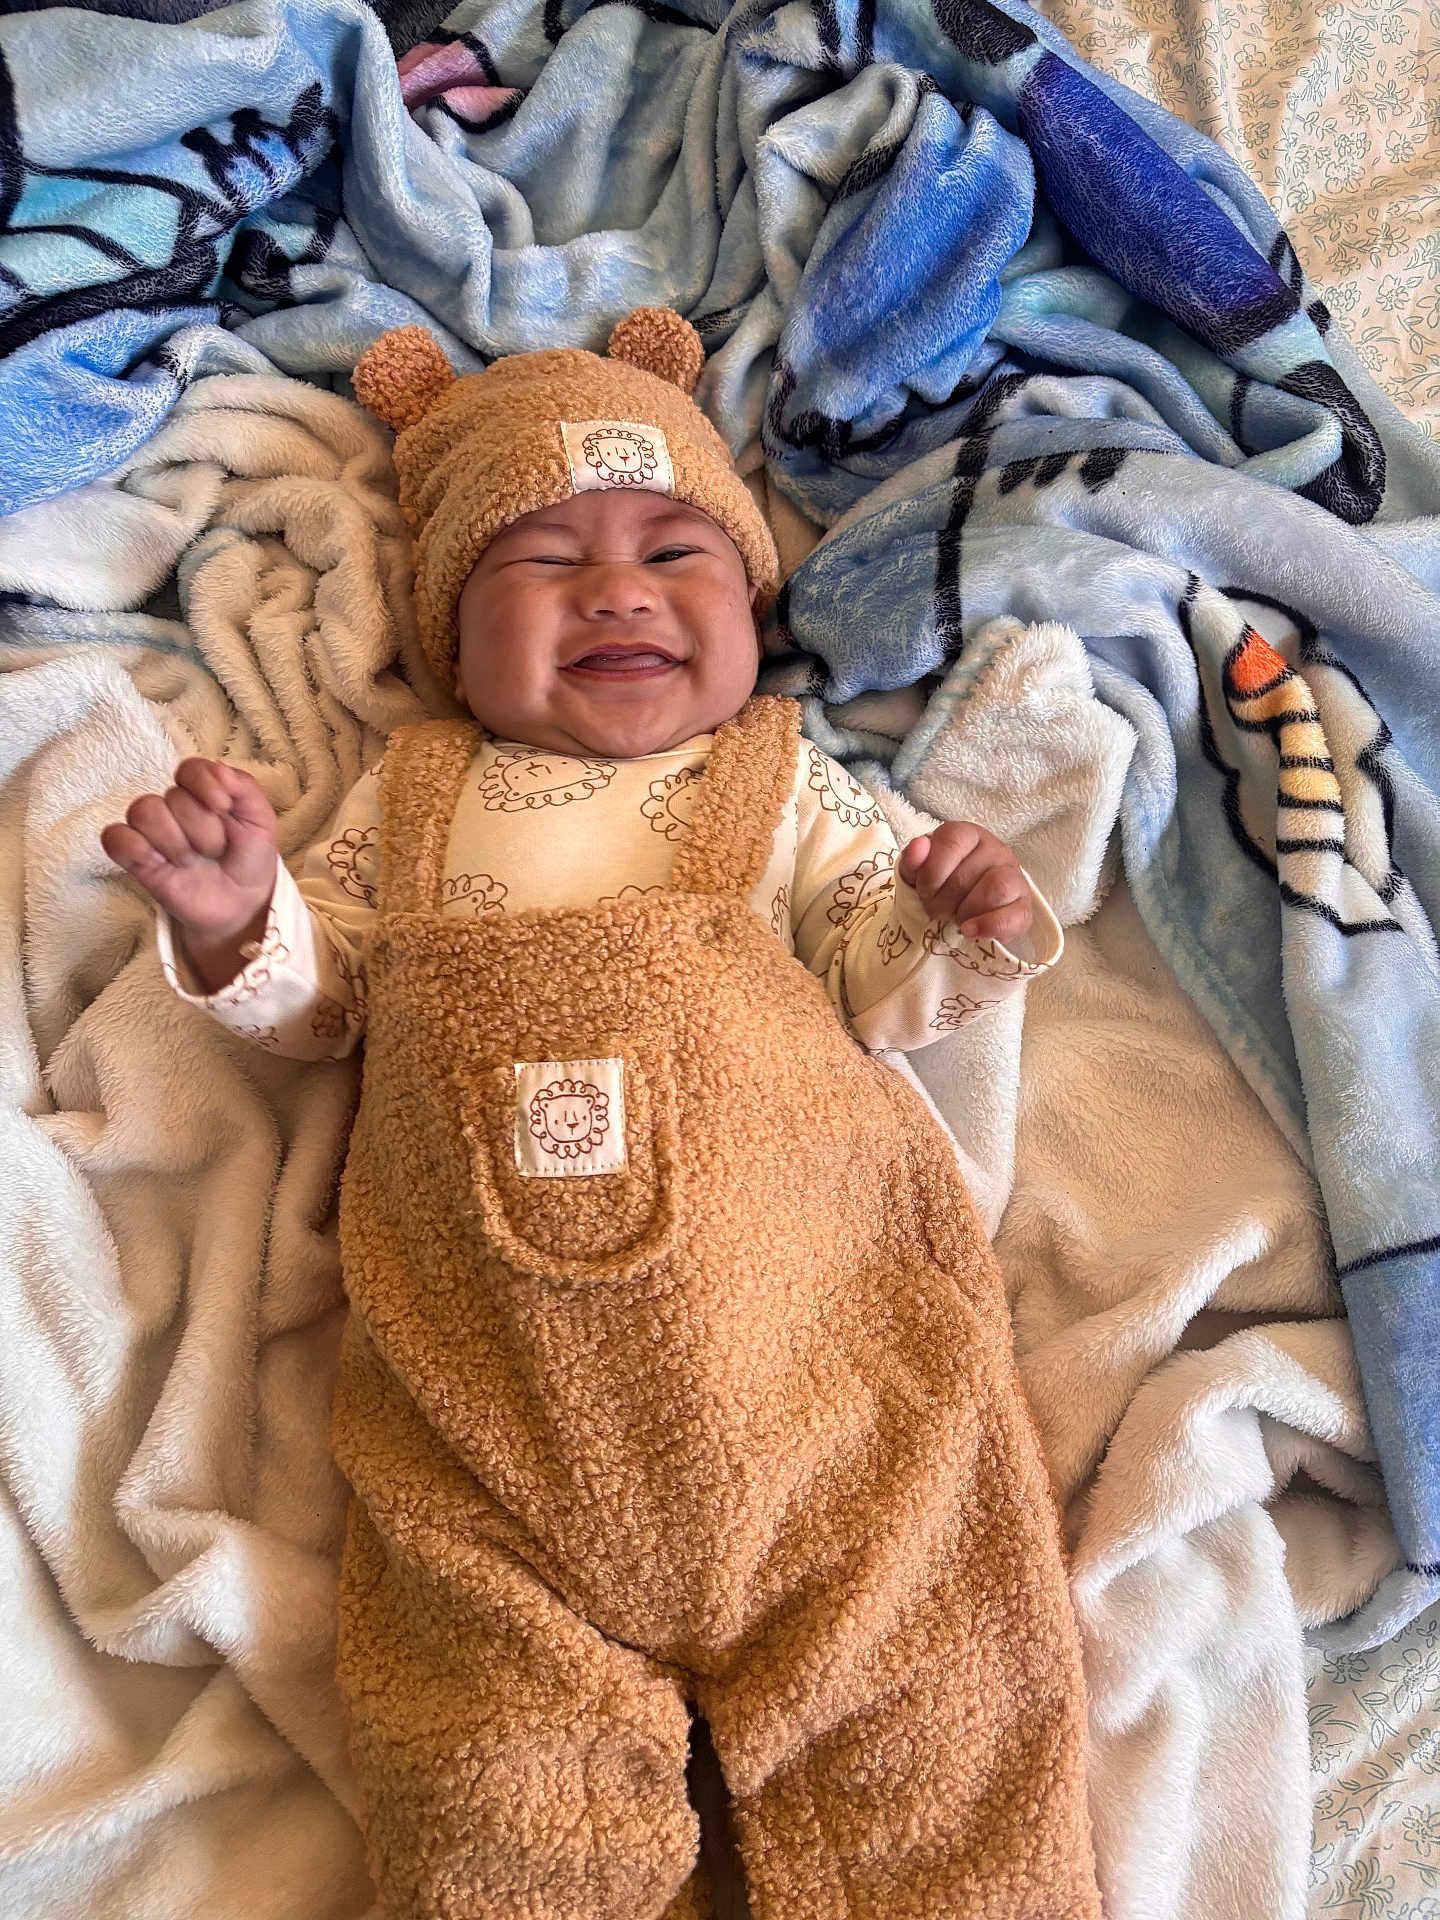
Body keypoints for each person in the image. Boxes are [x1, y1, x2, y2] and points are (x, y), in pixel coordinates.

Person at [101, 309, 1101, 1919]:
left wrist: (954, 920)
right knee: (492, 1793)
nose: (616, 590)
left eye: (673, 553)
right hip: (493, 1429)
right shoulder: (412, 804)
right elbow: (330, 1000)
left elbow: (872, 977)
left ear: (748, 609)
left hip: (818, 1392)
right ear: (445, 634)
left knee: (933, 1735)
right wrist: (237, 919)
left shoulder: (781, 788)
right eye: (542, 562)